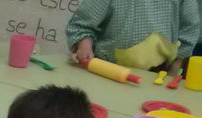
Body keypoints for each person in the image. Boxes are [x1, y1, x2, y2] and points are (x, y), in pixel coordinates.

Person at [67, 0, 199, 72]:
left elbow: (190, 28)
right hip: (109, 69)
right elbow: (82, 24)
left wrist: (177, 64)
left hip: (160, 74)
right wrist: (84, 45)